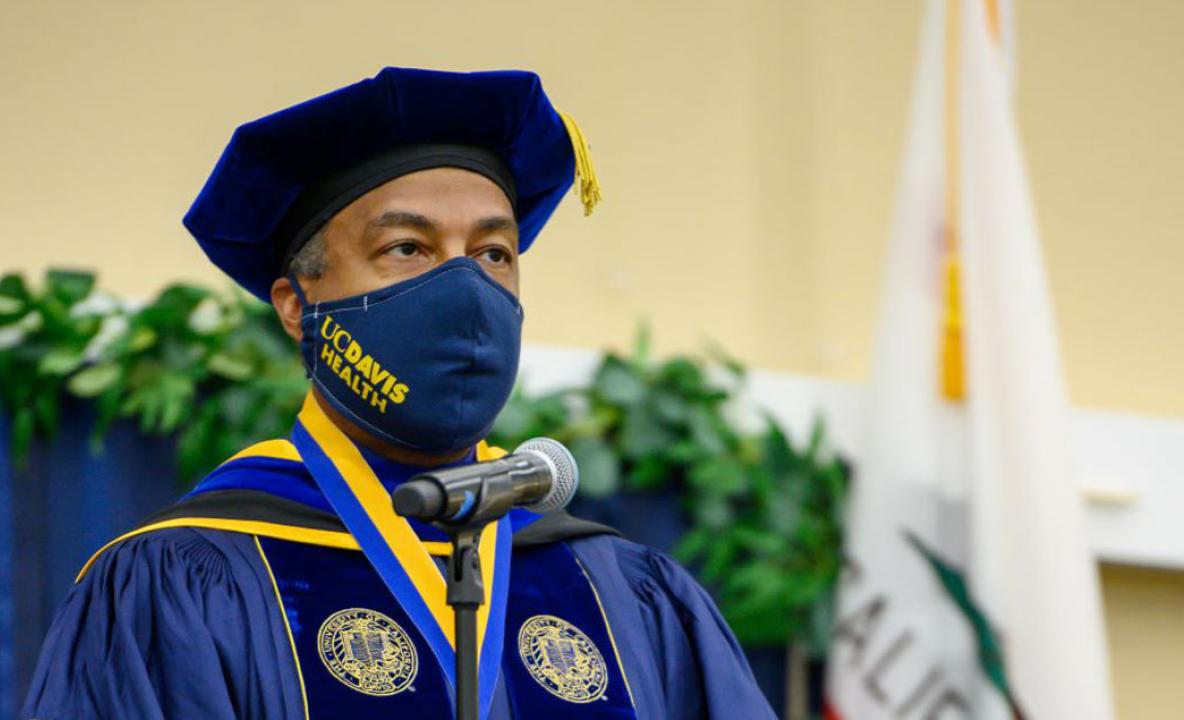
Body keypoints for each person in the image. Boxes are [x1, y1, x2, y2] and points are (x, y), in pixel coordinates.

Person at [21, 67, 775, 720]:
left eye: (493, 253)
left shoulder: (621, 592)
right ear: (296, 305)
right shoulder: (184, 582)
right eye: (408, 248)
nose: (466, 287)